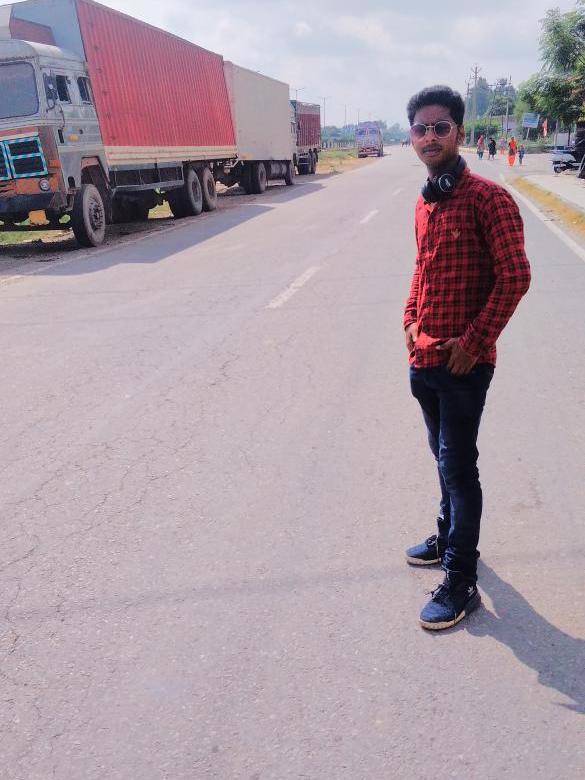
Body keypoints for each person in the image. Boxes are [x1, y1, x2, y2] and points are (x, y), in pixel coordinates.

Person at [403, 85, 531, 630]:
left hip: (463, 366)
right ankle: (446, 531)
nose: (429, 136)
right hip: (424, 358)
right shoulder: (425, 200)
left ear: (458, 131)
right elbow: (421, 269)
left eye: (440, 127)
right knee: (441, 457)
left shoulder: (488, 199)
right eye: (420, 128)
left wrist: (474, 343)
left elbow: (515, 276)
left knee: (457, 465)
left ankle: (461, 580)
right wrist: (410, 322)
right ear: (412, 137)